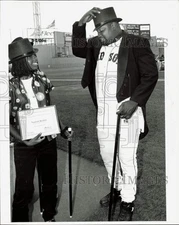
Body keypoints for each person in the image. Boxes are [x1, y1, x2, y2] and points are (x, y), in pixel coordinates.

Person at [72, 7, 158, 221]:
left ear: (112, 25)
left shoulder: (136, 43)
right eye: (96, 31)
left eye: (100, 30)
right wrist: (80, 25)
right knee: (108, 156)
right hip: (103, 114)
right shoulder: (95, 45)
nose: (98, 35)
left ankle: (128, 201)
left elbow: (150, 74)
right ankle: (117, 189)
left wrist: (135, 101)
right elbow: (77, 49)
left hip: (127, 112)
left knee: (126, 158)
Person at [9, 37, 72, 222]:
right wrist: (22, 140)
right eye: (30, 56)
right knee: (24, 188)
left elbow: (50, 110)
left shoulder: (42, 78)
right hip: (24, 145)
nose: (35, 59)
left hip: (48, 141)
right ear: (21, 61)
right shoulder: (8, 86)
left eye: (34, 55)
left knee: (50, 182)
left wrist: (62, 129)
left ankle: (49, 215)